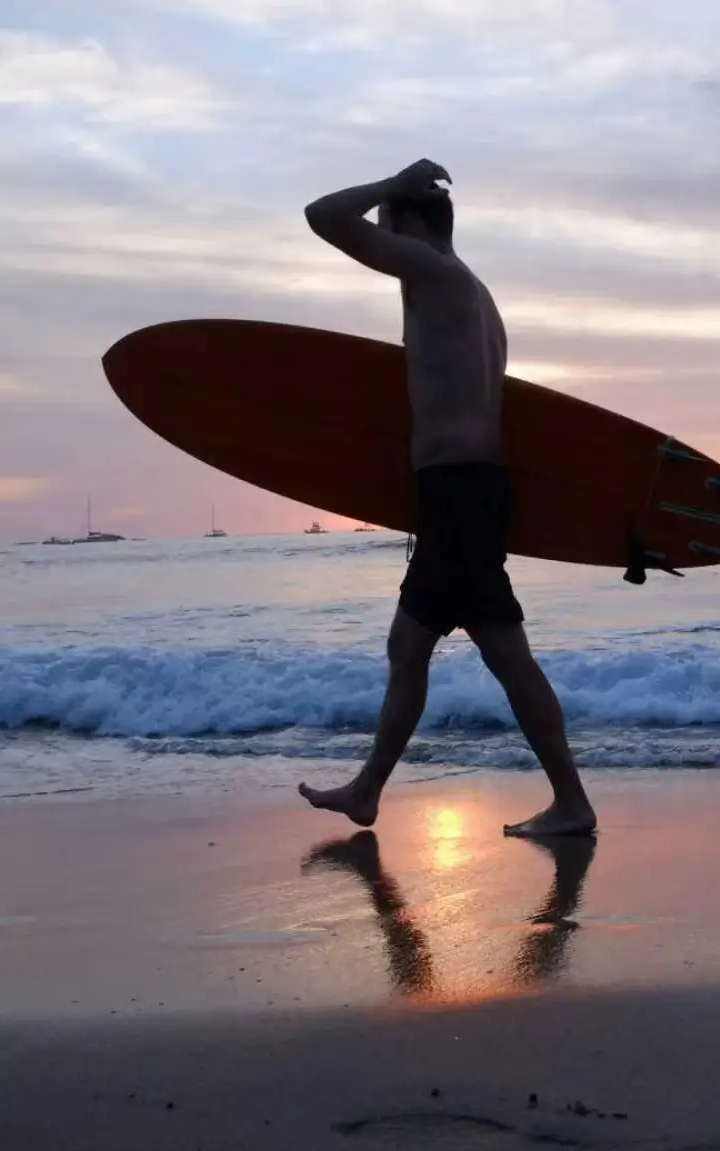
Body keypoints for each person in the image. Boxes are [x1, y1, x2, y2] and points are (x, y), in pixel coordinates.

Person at [296, 160, 595, 837]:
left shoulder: (434, 275)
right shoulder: (474, 294)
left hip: (459, 490)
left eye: (386, 228)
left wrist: (387, 182)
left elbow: (323, 217)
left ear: (408, 224)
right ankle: (368, 789)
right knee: (412, 646)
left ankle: (572, 803)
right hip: (463, 491)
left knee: (499, 652)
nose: (379, 241)